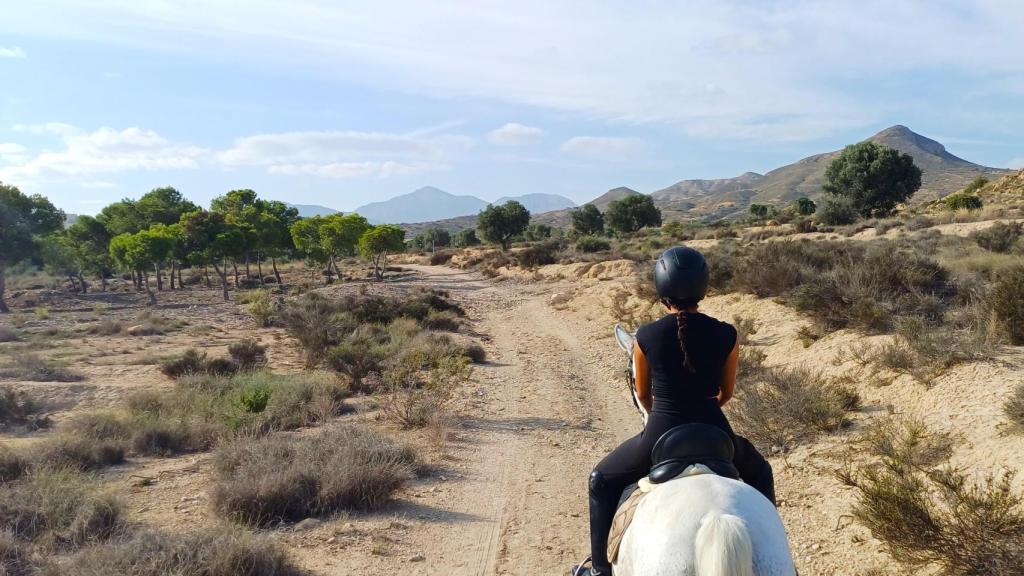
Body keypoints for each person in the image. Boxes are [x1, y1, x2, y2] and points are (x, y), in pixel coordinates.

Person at [574, 246, 775, 576]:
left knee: (600, 481)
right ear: (703, 287)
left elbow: (642, 394)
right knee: (762, 472)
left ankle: (598, 571)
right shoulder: (727, 334)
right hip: (716, 433)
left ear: (661, 288)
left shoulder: (645, 336)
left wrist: (662, 415)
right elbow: (726, 393)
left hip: (660, 434)